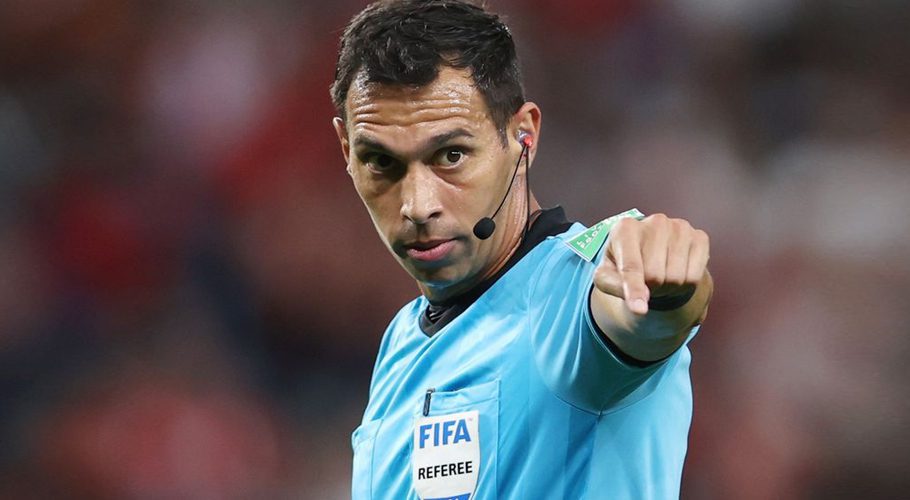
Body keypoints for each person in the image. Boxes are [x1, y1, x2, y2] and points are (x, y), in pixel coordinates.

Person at [330, 1, 713, 498]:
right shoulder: (401, 342)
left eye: (451, 155)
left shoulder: (574, 289)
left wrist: (666, 290)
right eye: (381, 162)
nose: (416, 206)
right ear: (347, 151)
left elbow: (639, 316)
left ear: (522, 135)